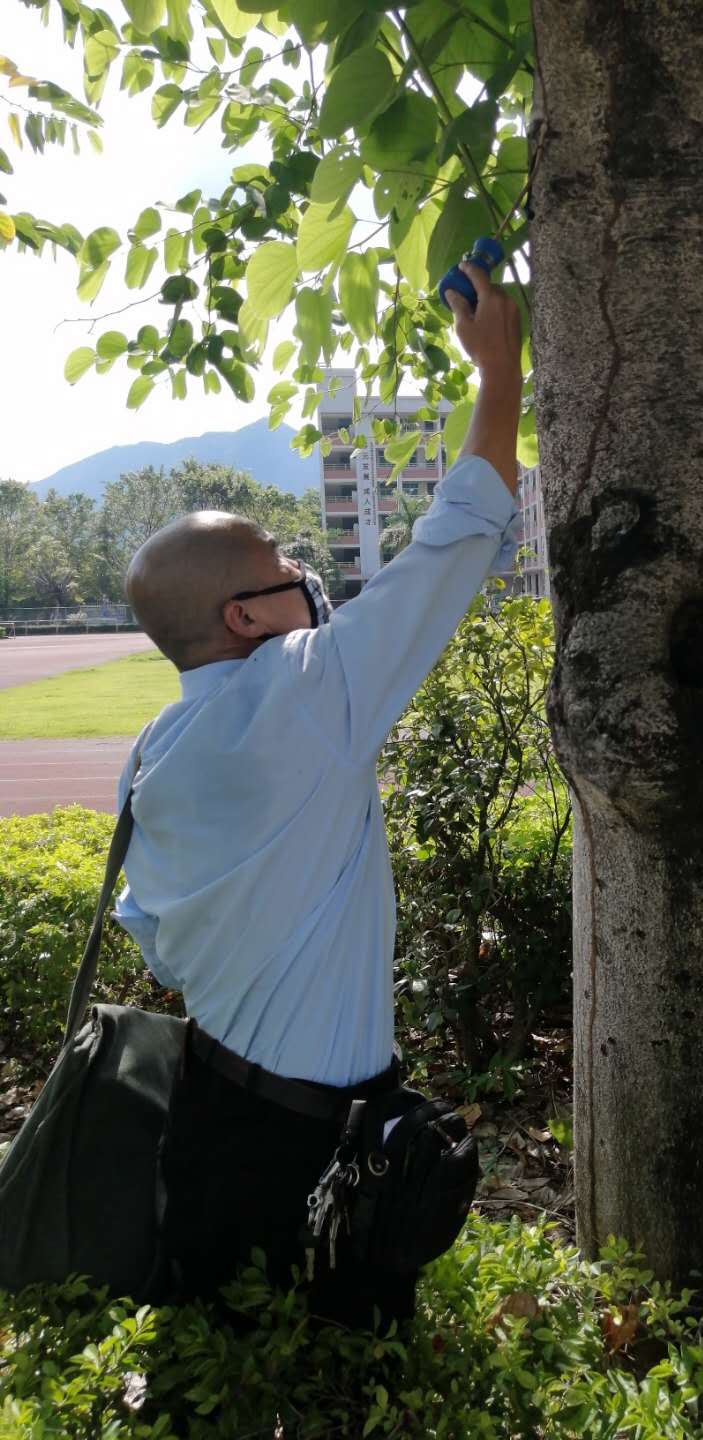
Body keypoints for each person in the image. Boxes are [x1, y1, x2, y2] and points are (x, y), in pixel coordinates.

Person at [113, 263, 522, 1327]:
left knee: (213, 1360)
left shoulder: (152, 749)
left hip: (209, 1113)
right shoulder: (309, 690)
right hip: (320, 1137)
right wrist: (499, 367)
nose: (303, 572)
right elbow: (459, 530)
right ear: (245, 616)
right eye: (282, 564)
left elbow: (151, 935)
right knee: (356, 1362)